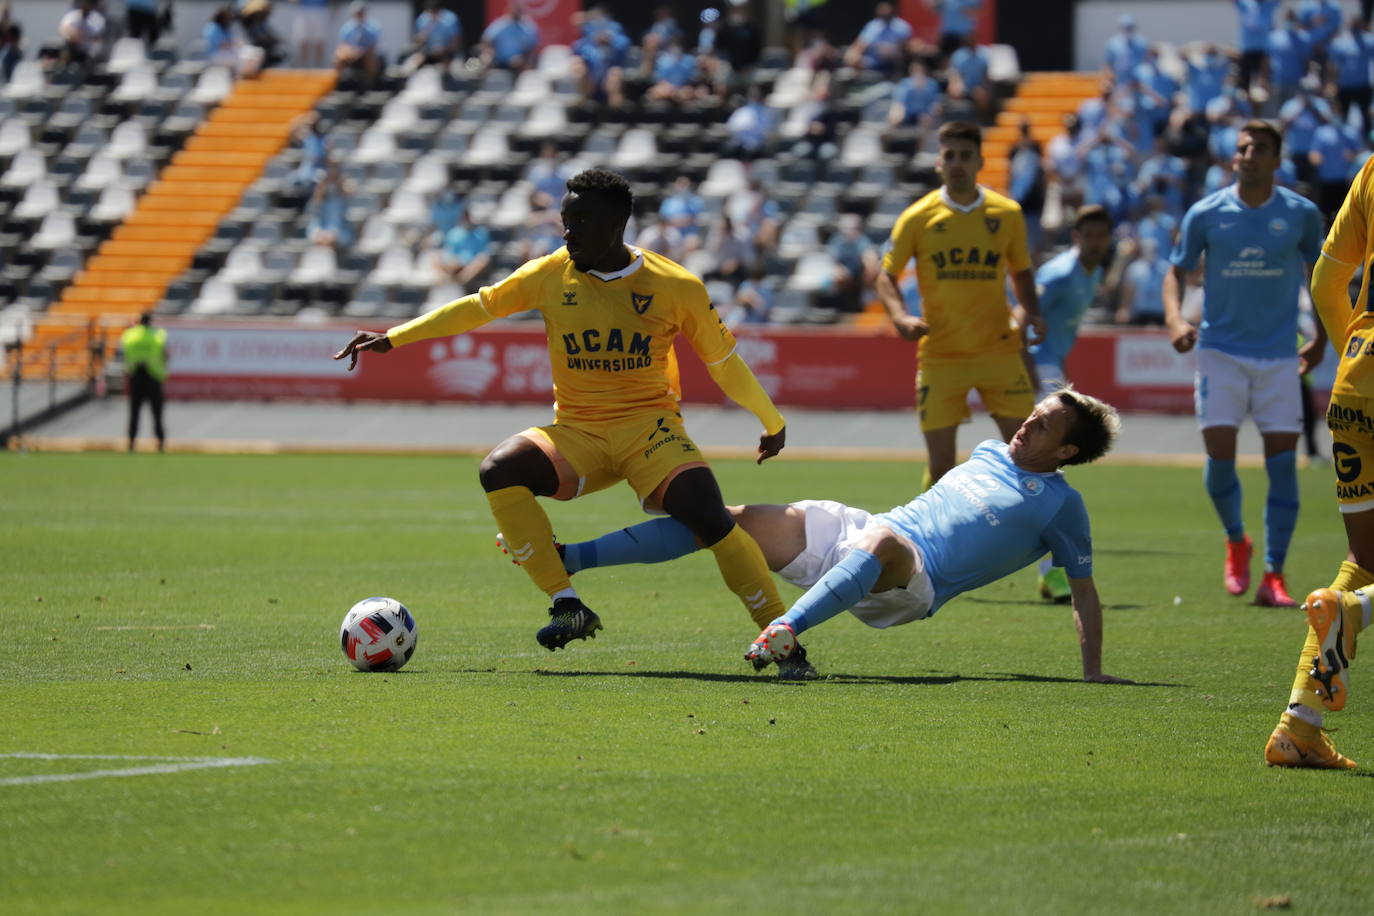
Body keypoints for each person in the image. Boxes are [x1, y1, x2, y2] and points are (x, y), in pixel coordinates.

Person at [333, 169, 808, 675]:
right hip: (578, 432)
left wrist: (770, 419)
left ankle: (783, 642)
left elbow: (724, 363)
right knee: (500, 468)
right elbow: (478, 307)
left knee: (711, 518)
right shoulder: (549, 273)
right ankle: (567, 603)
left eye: (580, 221)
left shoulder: (676, 285)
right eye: (565, 220)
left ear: (618, 223)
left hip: (651, 430)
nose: (568, 232)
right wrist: (394, 337)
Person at [557, 389, 1132, 684]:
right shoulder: (987, 451)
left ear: (1067, 452)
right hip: (865, 528)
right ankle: (569, 559)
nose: (1026, 424)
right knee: (719, 519)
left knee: (882, 544)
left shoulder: (1062, 506)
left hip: (913, 578)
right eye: (1032, 414)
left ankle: (785, 631)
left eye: (1043, 426)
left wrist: (1092, 669)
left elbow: (1081, 589)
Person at [1162, 119, 1326, 608]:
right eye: (1242, 147)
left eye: (1258, 148)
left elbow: (1319, 275)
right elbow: (1176, 271)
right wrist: (1173, 318)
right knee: (1219, 463)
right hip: (1219, 354)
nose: (1248, 154)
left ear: (1277, 159)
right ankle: (1237, 540)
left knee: (1283, 467)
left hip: (1279, 356)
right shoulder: (1207, 213)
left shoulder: (1301, 214)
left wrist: (1320, 337)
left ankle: (1274, 574)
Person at [1265, 149, 1374, 769]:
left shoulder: (1369, 169)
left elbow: (1326, 282)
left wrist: (1354, 352)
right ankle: (1355, 612)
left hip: (1355, 380)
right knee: (1360, 586)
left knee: (1364, 559)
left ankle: (1298, 727)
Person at [875, 120, 1046, 489]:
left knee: (1028, 457)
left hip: (998, 352)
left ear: (980, 161)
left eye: (965, 156)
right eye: (949, 155)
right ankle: (931, 542)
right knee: (940, 469)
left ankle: (1024, 539)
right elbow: (885, 275)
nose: (957, 163)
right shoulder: (918, 217)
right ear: (938, 162)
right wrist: (899, 316)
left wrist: (1032, 311)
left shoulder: (1007, 213)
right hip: (941, 355)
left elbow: (1022, 270)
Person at [1026, 204, 1113, 603]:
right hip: (1033, 367)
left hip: (1048, 366)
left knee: (1037, 469)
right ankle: (1052, 575)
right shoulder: (1058, 274)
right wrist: (1029, 376)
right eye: (1088, 235)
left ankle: (1050, 572)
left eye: (1101, 235)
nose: (1096, 242)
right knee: (1044, 469)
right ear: (1076, 237)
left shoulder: (1091, 272)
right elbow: (1023, 318)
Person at [121, 312, 168, 453]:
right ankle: (160, 443)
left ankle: (131, 443)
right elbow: (165, 355)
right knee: (157, 413)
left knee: (134, 412)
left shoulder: (130, 335)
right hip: (153, 377)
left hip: (135, 376)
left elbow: (125, 354)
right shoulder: (158, 335)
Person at [334, 1, 381, 87]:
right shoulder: (347, 27)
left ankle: (368, 86)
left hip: (366, 55)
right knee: (338, 58)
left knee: (371, 61)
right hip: (350, 55)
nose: (359, 15)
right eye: (357, 13)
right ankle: (339, 85)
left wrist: (361, 52)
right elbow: (343, 45)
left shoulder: (373, 27)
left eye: (361, 12)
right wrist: (351, 52)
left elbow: (373, 46)